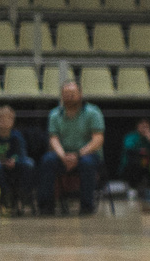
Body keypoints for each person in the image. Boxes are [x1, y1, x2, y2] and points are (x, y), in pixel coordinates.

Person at [40, 80, 105, 215]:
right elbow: (53, 139)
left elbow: (98, 139)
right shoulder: (54, 114)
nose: (69, 96)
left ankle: (87, 206)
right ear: (62, 96)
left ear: (80, 95)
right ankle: (47, 206)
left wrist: (78, 155)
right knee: (47, 160)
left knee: (87, 164)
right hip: (62, 154)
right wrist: (63, 156)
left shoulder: (93, 112)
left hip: (87, 154)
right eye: (66, 93)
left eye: (73, 93)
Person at [0, 105, 35, 213]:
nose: (4, 122)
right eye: (1, 119)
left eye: (8, 119)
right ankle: (6, 195)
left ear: (13, 121)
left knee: (29, 163)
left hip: (14, 166)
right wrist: (0, 162)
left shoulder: (16, 136)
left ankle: (25, 195)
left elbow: (21, 154)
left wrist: (13, 161)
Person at [120, 116, 150, 196]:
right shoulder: (131, 136)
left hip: (148, 164)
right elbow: (129, 149)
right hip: (133, 164)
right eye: (142, 125)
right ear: (137, 126)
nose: (144, 128)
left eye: (146, 126)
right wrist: (143, 152)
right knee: (135, 161)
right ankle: (132, 187)